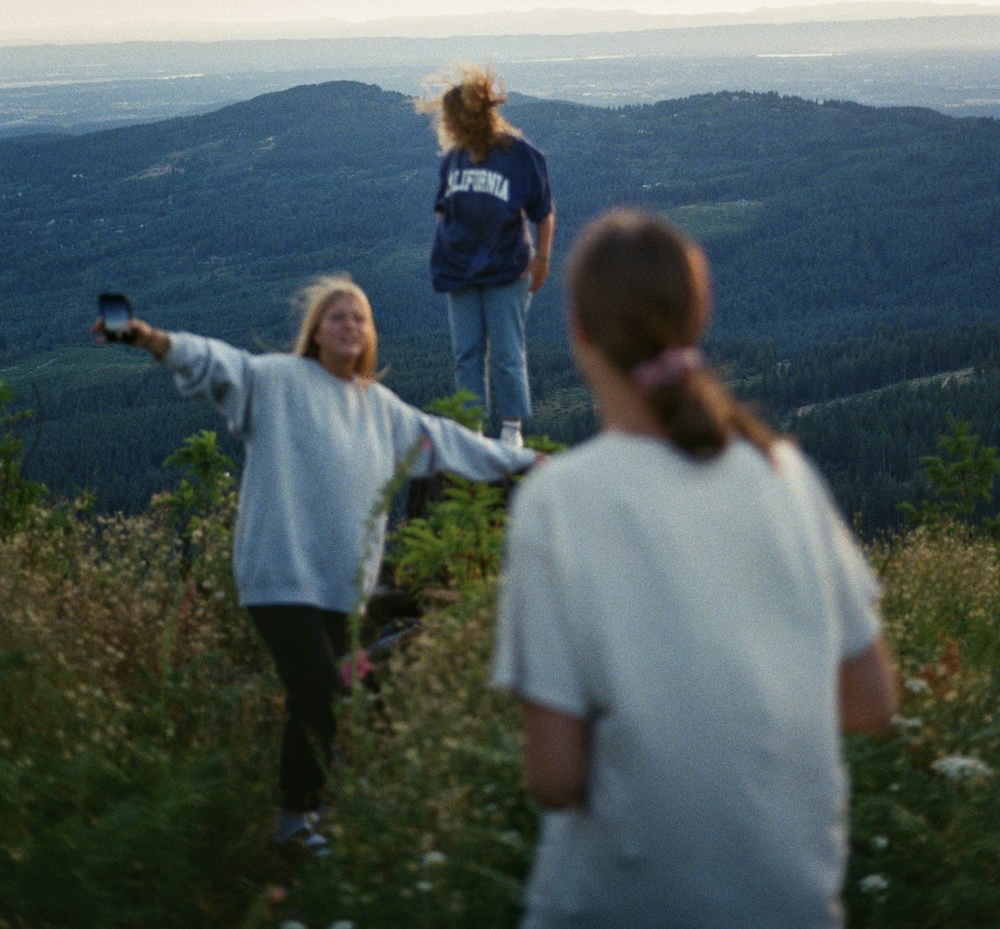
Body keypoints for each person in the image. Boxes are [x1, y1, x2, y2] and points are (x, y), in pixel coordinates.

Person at [492, 209, 897, 929]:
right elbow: (871, 701)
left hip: (620, 899)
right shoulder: (786, 473)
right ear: (697, 318)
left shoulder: (557, 501)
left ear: (579, 332)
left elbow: (554, 778)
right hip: (793, 901)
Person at [94, 275, 539, 854]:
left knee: (332, 686)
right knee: (318, 689)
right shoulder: (275, 381)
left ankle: (333, 802)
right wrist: (148, 336)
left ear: (370, 333)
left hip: (338, 586)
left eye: (359, 317)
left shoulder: (382, 409)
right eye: (337, 317)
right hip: (278, 574)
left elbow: (451, 441)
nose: (350, 325)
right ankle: (295, 823)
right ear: (316, 332)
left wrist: (528, 462)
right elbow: (215, 361)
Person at [418, 66, 555, 448]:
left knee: (508, 352)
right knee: (467, 352)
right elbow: (442, 205)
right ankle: (470, 430)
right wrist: (447, 241)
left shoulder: (521, 157)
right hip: (458, 270)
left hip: (506, 268)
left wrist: (542, 259)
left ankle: (511, 430)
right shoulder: (455, 158)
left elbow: (543, 212)